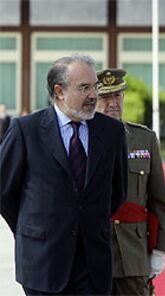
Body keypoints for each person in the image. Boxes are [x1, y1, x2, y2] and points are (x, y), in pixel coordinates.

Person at [0, 54, 128, 295]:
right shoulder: (26, 130)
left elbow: (117, 191)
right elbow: (4, 191)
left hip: (92, 264)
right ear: (59, 91)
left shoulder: (111, 132)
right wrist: (32, 228)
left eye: (94, 87)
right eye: (84, 88)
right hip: (42, 262)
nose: (93, 95)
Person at [95, 68, 165, 296]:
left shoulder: (144, 139)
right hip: (94, 254)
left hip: (133, 254)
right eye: (105, 97)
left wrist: (159, 251)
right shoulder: (81, 139)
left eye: (117, 95)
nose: (113, 103)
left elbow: (160, 203)